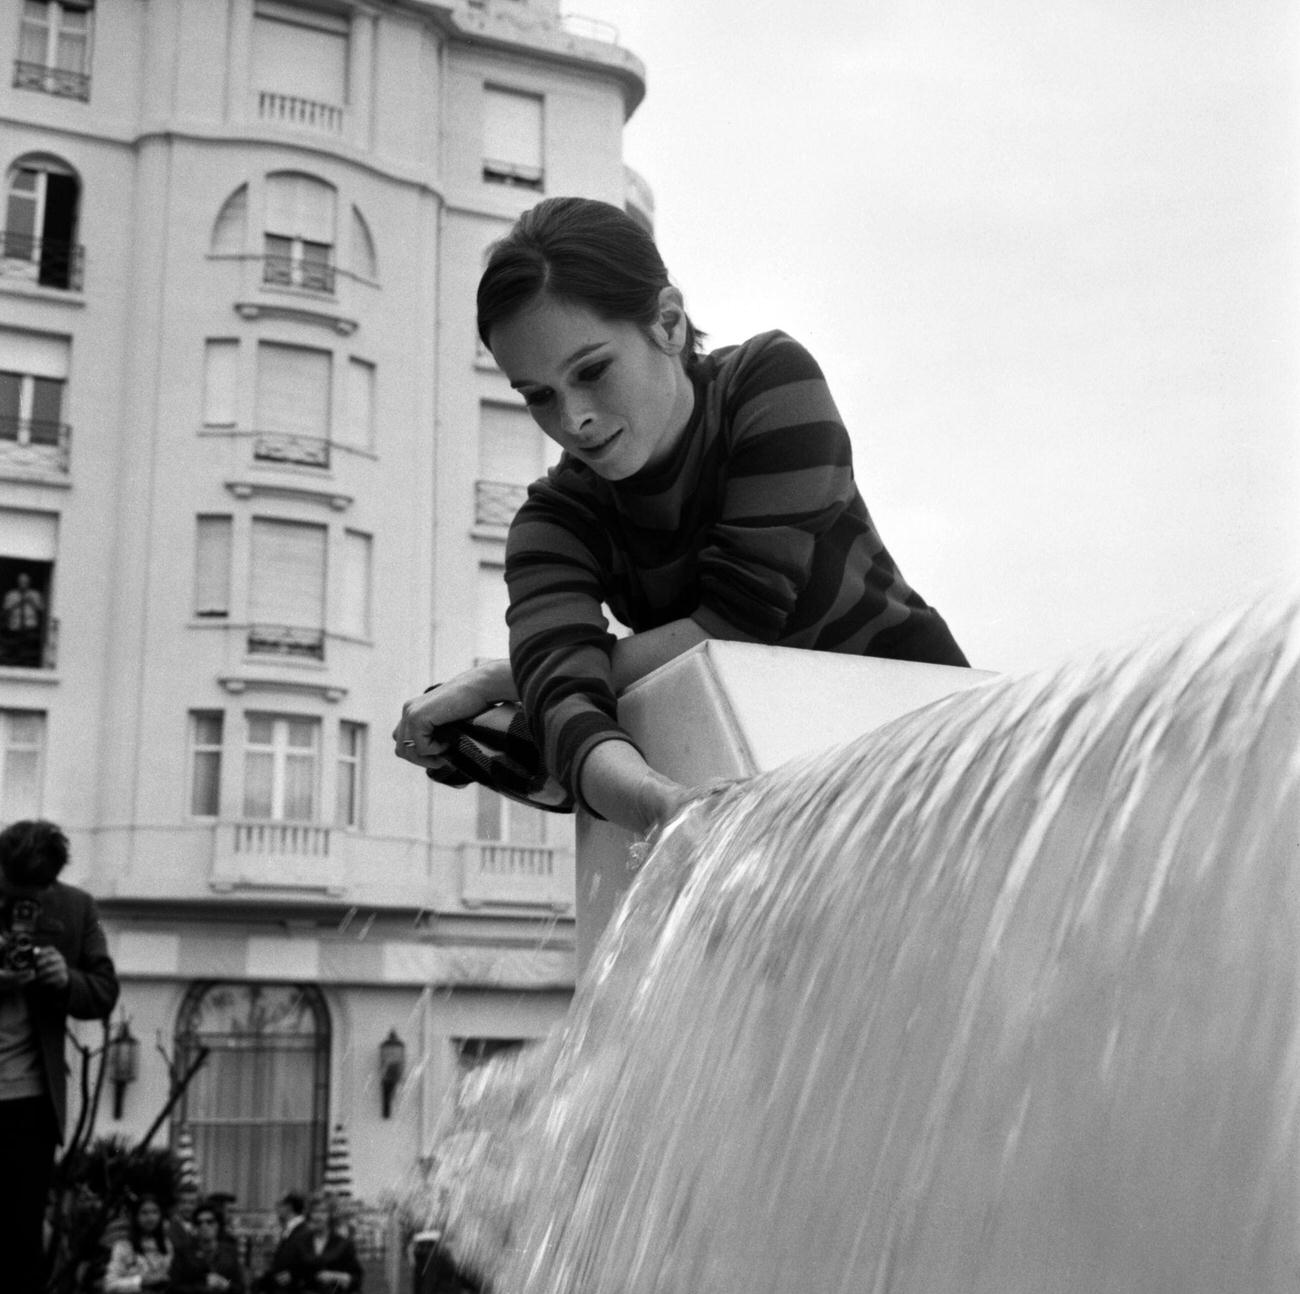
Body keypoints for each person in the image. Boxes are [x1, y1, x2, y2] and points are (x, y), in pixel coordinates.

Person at [394, 196, 968, 834]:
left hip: (936, 741)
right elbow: (568, 715)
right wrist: (660, 805)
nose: (572, 419)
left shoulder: (770, 384)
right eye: (539, 395)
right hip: (765, 773)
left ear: (667, 323)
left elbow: (739, 624)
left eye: (592, 370)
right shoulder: (553, 523)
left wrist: (513, 677)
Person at [0, 818, 120, 1293]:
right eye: (10, 887)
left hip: (29, 1102)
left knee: (19, 1242)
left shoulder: (75, 909)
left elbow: (105, 991)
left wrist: (65, 978)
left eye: (34, 890)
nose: (18, 899)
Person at [280, 1194, 362, 1292]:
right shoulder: (300, 1242)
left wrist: (335, 1276)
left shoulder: (344, 1244)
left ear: (331, 1215)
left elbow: (356, 1279)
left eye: (323, 1212)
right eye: (314, 1211)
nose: (318, 1216)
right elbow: (292, 1272)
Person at [169, 1199, 245, 1294]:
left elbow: (240, 1287)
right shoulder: (184, 1253)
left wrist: (226, 1285)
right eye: (199, 1223)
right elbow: (174, 1287)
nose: (204, 1226)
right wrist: (203, 1286)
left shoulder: (230, 1252)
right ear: (195, 1227)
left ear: (217, 1224)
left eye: (209, 1222)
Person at [103, 1193, 172, 1292]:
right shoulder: (124, 1245)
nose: (150, 1218)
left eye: (155, 1212)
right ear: (136, 1216)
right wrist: (141, 1282)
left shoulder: (166, 1244)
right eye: (144, 1213)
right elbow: (109, 1285)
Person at [254, 1191, 306, 1291]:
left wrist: (294, 1274)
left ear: (288, 1207)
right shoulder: (289, 1230)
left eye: (279, 1204)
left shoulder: (303, 1231)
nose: (276, 1209)